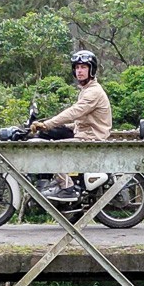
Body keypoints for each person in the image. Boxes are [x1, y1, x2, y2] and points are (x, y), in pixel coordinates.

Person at [35, 49, 111, 199]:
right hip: (86, 133)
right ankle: (58, 183)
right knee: (52, 135)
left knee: (50, 151)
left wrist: (48, 124)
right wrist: (54, 127)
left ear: (92, 69)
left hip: (90, 138)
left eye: (83, 67)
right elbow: (83, 120)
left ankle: (67, 187)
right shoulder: (86, 89)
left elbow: (74, 112)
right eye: (77, 67)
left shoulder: (93, 92)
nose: (79, 71)